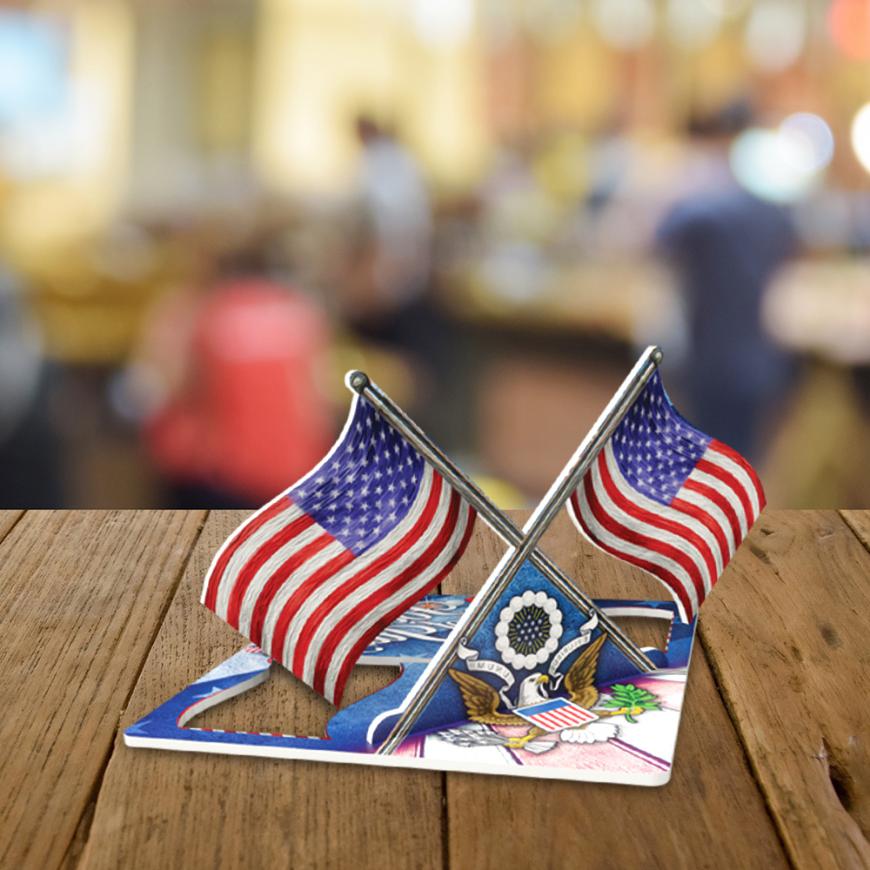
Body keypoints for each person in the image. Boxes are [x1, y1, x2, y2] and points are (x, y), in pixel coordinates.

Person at [655, 102, 796, 461]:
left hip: (710, 359)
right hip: (759, 358)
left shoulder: (703, 208)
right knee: (741, 462)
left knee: (704, 461)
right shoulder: (773, 210)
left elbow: (658, 241)